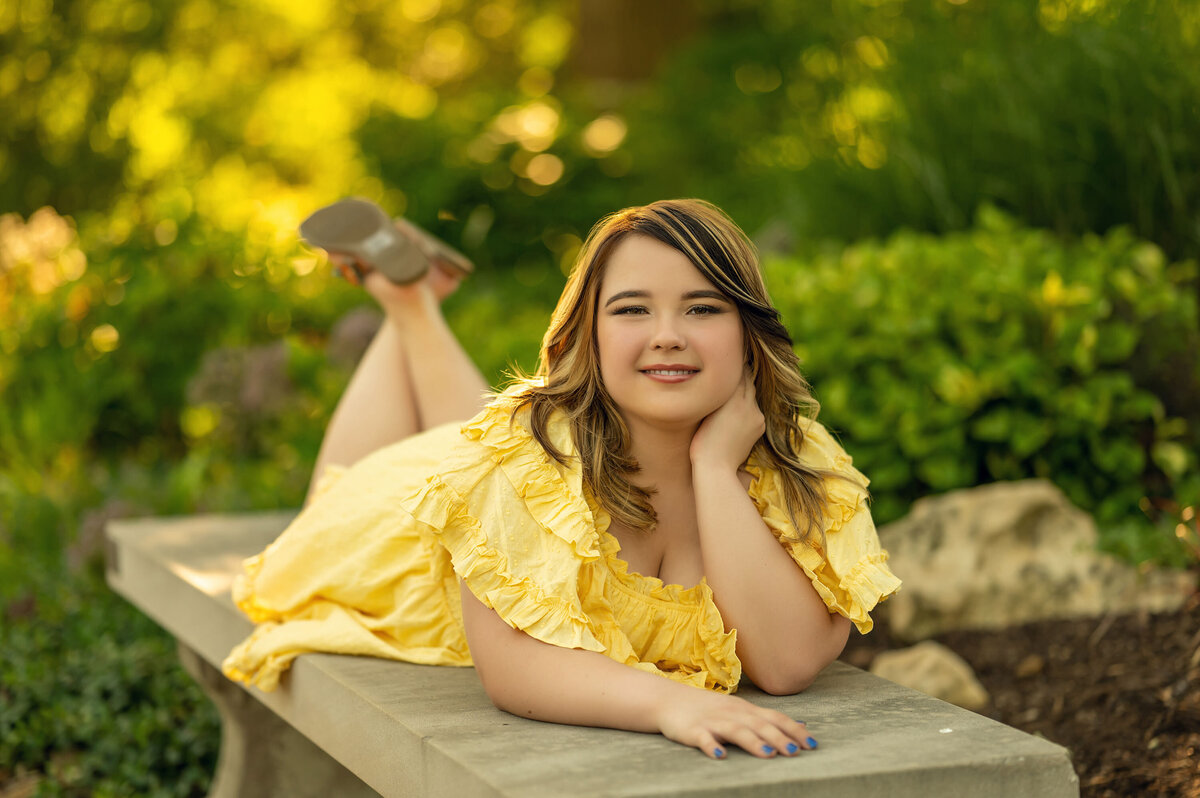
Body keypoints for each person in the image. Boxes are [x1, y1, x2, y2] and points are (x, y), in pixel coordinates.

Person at [223, 199, 901, 760]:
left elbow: (785, 665)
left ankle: (412, 295)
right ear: (590, 334)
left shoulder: (800, 461)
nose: (668, 335)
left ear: (750, 329)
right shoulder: (520, 456)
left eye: (703, 308)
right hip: (392, 533)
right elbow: (515, 667)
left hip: (497, 458)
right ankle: (409, 301)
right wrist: (669, 702)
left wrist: (716, 468)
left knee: (472, 434)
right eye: (632, 309)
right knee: (338, 498)